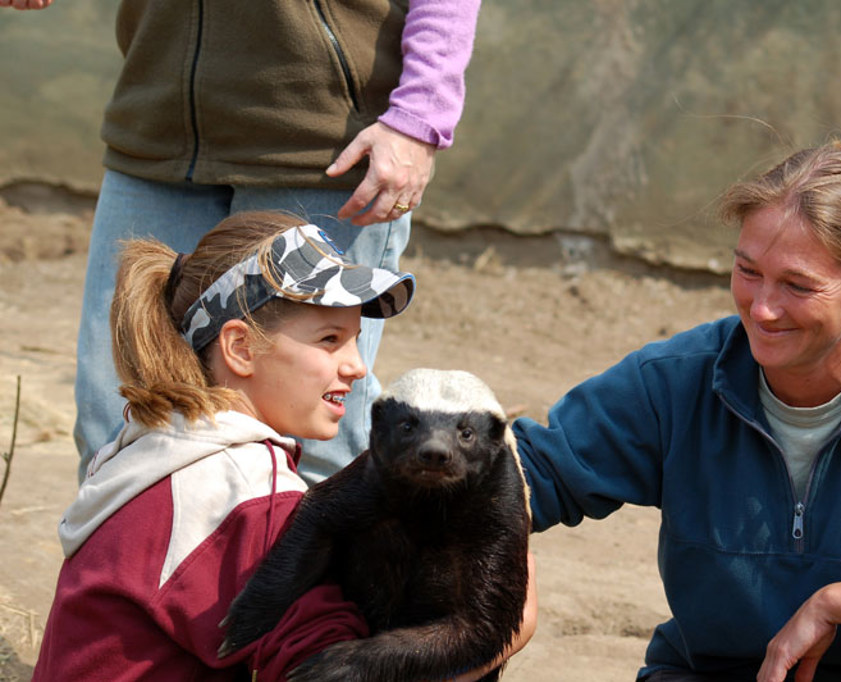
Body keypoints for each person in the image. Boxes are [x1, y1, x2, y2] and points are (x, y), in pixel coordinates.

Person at [513, 141, 841, 682]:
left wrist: (835, 604)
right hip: (714, 674)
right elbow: (524, 478)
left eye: (797, 285)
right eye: (748, 271)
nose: (762, 309)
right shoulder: (675, 382)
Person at [31, 211, 534, 681]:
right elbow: (316, 665)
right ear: (241, 348)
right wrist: (502, 629)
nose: (358, 367)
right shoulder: (246, 493)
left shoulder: (158, 443)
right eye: (330, 339)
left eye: (356, 340)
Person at [2, 0, 482, 484]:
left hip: (323, 145)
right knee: (118, 421)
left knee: (316, 444)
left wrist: (420, 112)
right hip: (156, 123)